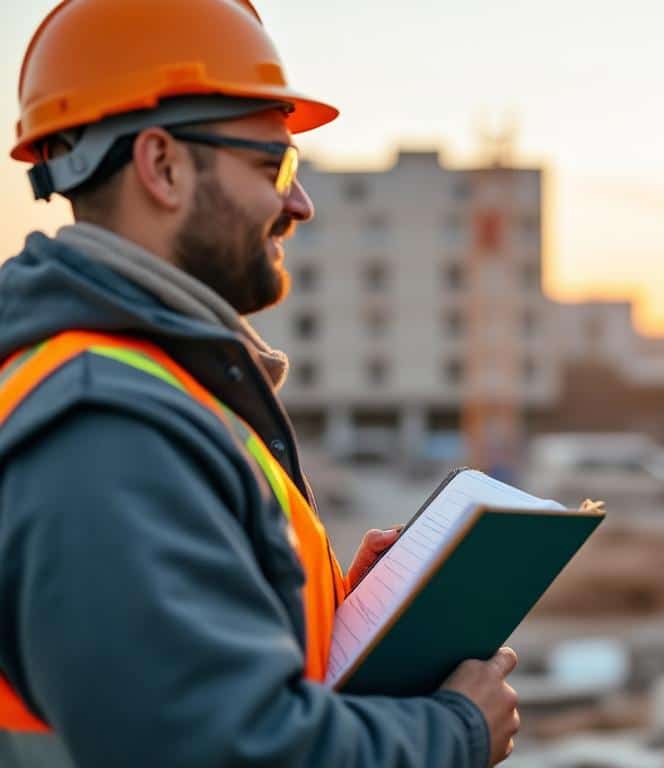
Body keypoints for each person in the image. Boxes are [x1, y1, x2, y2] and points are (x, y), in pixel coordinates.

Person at [0, 1, 518, 766]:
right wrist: (455, 732)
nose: (298, 203)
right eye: (273, 164)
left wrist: (342, 614)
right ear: (162, 166)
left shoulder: (155, 383)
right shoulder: (103, 422)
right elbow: (218, 749)